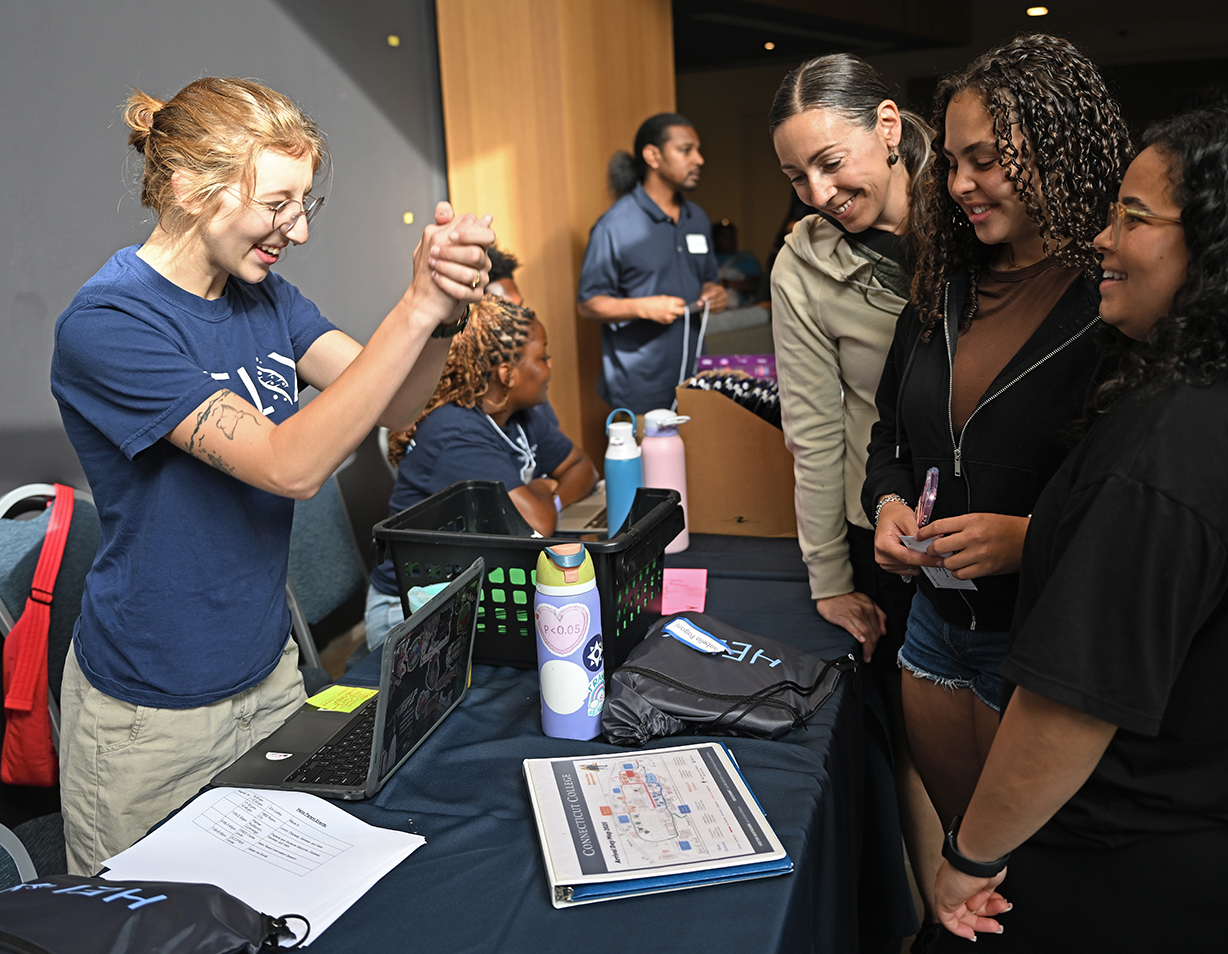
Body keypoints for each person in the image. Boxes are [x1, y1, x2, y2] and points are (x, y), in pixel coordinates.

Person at [928, 106, 1228, 952]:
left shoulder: (1170, 445)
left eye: (1134, 217)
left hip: (1161, 854)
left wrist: (971, 854)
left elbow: (1069, 709)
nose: (1101, 239)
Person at [50, 77, 492, 874]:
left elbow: (391, 405)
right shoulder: (109, 324)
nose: (296, 230)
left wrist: (445, 311)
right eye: (277, 204)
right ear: (187, 188)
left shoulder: (265, 298)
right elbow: (291, 466)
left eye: (303, 205)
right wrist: (414, 308)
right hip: (151, 718)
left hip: (269, 679)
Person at [862, 35, 1132, 835]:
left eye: (985, 159)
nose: (959, 185)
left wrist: (1028, 538)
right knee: (962, 858)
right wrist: (885, 503)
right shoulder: (942, 286)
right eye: (949, 162)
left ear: (1056, 148)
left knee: (1033, 881)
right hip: (934, 634)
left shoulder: (1114, 301)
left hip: (1043, 646)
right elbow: (889, 435)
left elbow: (1139, 503)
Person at [766, 52, 944, 938]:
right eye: (798, 175)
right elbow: (814, 426)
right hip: (882, 529)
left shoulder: (981, 206)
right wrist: (829, 575)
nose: (818, 191)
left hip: (1012, 520)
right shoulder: (803, 264)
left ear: (885, 124)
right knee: (917, 741)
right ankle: (937, 917)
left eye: (831, 162)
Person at [364, 297, 597, 650]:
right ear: (508, 373)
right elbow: (537, 524)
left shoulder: (520, 415)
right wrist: (541, 492)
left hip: (475, 590)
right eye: (543, 356)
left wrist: (549, 492)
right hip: (410, 609)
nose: (550, 366)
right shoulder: (455, 431)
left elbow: (583, 468)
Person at [577, 113, 728, 414]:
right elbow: (588, 303)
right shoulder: (615, 226)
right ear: (653, 156)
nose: (699, 159)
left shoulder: (696, 217)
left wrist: (715, 292)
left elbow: (708, 278)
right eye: (686, 150)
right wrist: (644, 307)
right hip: (640, 387)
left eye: (698, 150)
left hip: (694, 377)